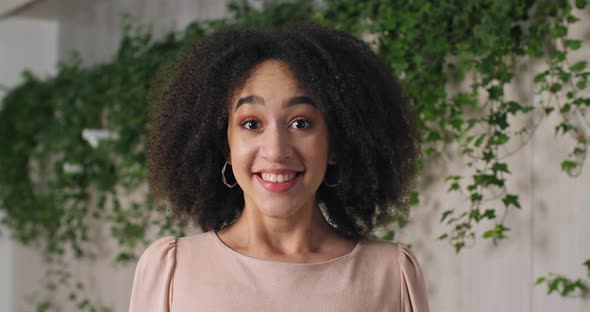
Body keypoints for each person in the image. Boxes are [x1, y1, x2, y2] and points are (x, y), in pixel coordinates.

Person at [129, 23, 429, 312]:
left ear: (336, 142)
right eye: (251, 123)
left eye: (300, 123)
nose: (276, 150)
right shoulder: (172, 270)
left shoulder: (391, 274)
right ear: (226, 146)